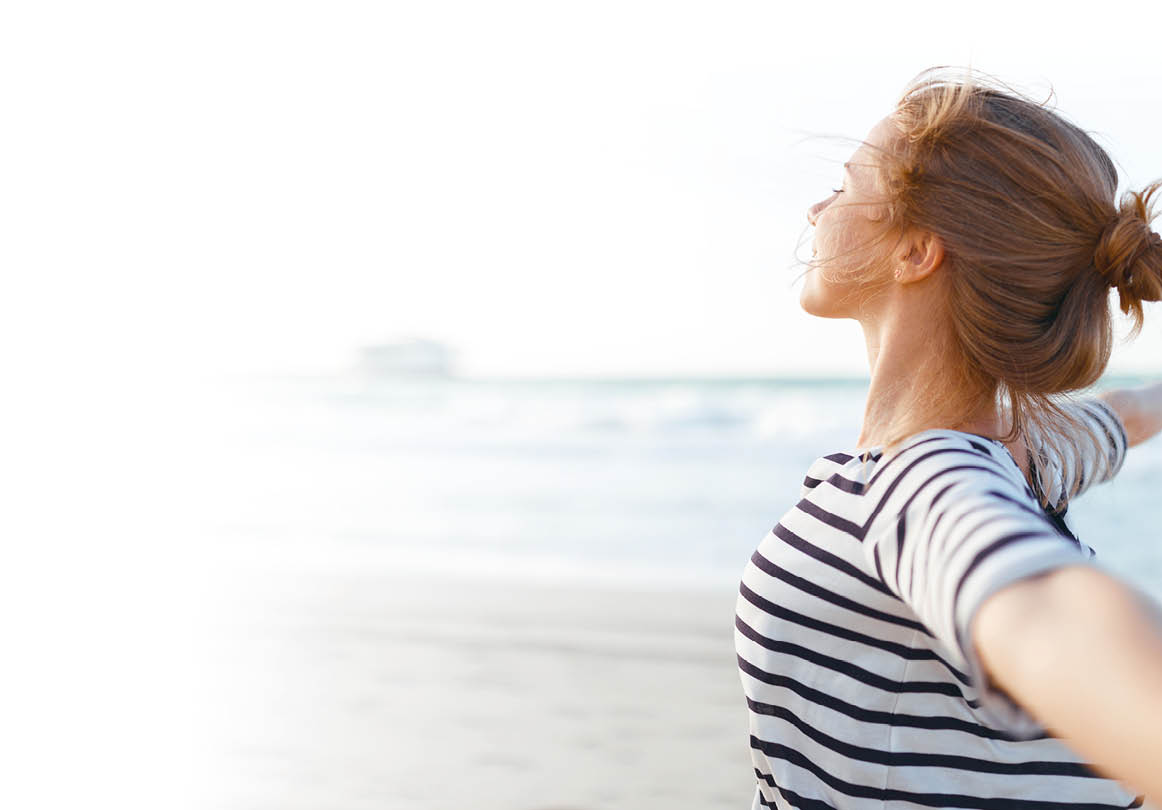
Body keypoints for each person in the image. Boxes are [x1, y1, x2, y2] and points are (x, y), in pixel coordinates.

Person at [736, 67, 1162, 810]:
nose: (816, 208)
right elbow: (1120, 418)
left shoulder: (922, 483)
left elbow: (1048, 615)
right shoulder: (1026, 449)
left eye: (844, 185)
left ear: (915, 252)